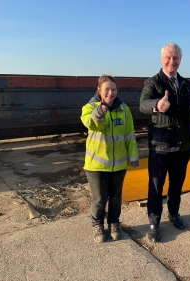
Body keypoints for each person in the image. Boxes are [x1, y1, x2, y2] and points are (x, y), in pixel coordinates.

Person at [139, 42, 190, 242]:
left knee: (176, 184)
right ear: (162, 59)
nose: (172, 61)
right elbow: (143, 104)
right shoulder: (153, 83)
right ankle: (154, 222)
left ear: (180, 60)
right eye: (168, 58)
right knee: (156, 186)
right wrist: (157, 104)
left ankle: (174, 213)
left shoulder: (187, 84)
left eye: (176, 58)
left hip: (182, 145)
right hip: (160, 145)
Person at [81, 75, 139, 243]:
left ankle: (114, 223)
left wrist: (133, 156)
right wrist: (99, 113)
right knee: (99, 199)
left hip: (119, 165)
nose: (110, 93)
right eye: (106, 89)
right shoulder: (89, 108)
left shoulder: (124, 109)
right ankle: (97, 225)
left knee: (115, 197)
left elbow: (129, 135)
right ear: (99, 90)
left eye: (113, 89)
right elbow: (90, 124)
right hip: (96, 165)